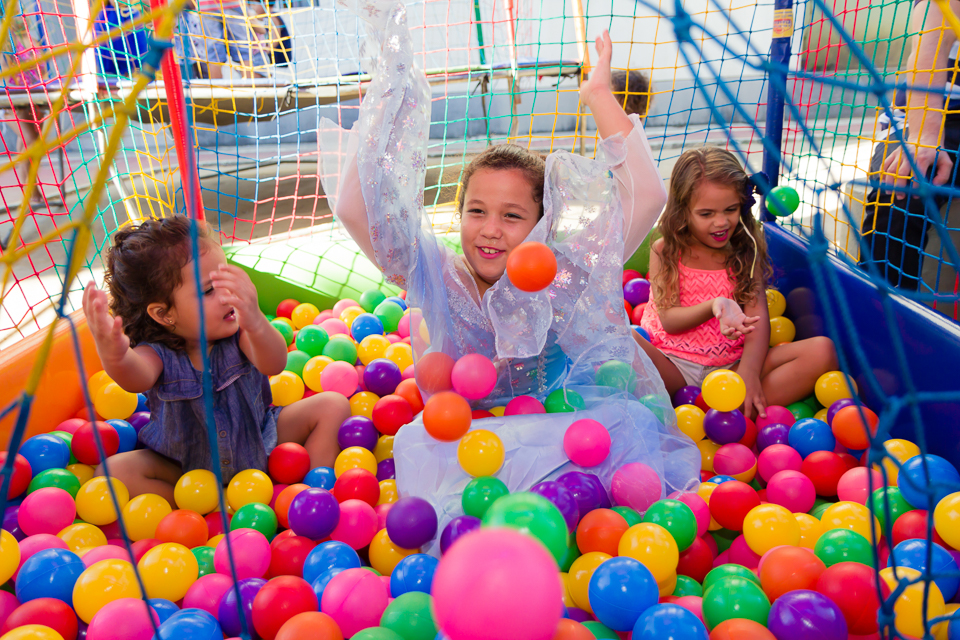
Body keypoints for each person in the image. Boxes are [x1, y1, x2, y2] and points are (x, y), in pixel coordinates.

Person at [319, 0, 700, 551]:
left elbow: (645, 198)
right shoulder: (435, 275)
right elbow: (358, 209)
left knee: (614, 444)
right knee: (434, 469)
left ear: (543, 222)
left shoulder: (562, 275)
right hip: (468, 442)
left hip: (561, 435)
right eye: (476, 211)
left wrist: (600, 97)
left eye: (513, 216)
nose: (490, 231)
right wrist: (388, 86)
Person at [81, 216, 350, 502]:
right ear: (164, 314)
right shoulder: (156, 353)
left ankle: (313, 495)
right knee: (112, 473)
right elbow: (136, 378)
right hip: (184, 467)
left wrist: (256, 320)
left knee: (333, 405)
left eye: (227, 279)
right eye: (209, 290)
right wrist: (114, 354)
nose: (226, 295)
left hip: (261, 441)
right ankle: (206, 505)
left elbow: (274, 363)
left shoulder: (242, 332)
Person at [637, 147, 838, 420]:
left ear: (742, 205)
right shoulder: (666, 250)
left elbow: (758, 321)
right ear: (683, 211)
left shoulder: (746, 250)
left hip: (731, 366)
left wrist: (748, 373)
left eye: (730, 209)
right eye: (706, 214)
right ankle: (715, 413)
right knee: (624, 339)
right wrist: (715, 305)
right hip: (672, 366)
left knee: (822, 350)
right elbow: (670, 320)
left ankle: (727, 411)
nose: (721, 222)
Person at [860, 0, 960, 296]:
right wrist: (924, 136)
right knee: (903, 186)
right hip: (937, 112)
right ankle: (882, 310)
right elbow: (930, 46)